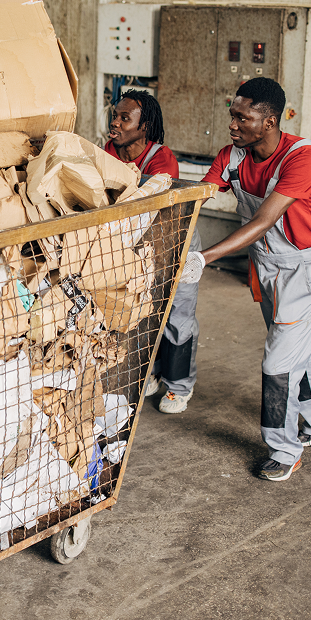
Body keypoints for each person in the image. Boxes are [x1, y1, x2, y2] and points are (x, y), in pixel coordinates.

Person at [180, 77, 311, 482]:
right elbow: (201, 194)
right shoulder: (233, 156)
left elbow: (263, 220)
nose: (233, 124)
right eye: (232, 115)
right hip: (270, 265)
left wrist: (204, 257)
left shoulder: (302, 159)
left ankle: (284, 448)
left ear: (270, 121)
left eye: (243, 117)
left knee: (278, 363)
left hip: (305, 269)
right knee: (295, 350)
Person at [105, 89, 200, 413]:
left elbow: (161, 216)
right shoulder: (108, 150)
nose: (115, 123)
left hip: (175, 242)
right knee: (144, 310)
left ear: (144, 127)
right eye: (115, 115)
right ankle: (155, 373)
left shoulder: (162, 159)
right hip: (137, 244)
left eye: (124, 118)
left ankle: (178, 386)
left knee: (178, 314)